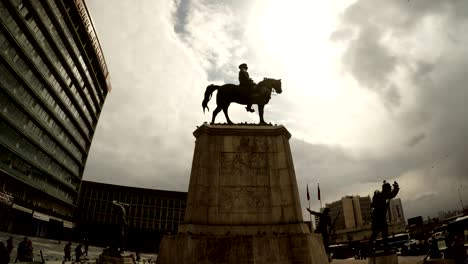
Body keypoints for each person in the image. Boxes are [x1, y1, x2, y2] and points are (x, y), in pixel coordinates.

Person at [368, 181, 399, 250]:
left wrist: (395, 188)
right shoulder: (381, 195)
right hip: (378, 217)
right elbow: (391, 195)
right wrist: (396, 188)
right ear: (385, 189)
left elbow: (391, 195)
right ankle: (370, 246)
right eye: (389, 189)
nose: (389, 190)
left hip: (379, 217)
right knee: (378, 232)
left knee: (383, 231)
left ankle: (383, 245)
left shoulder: (381, 195)